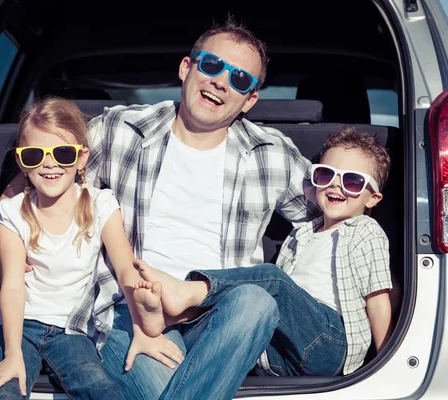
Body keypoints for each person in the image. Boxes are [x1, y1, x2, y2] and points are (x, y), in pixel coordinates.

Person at [0, 16, 320, 400]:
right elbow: (48, 160)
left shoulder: (271, 155)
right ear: (186, 67)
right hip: (130, 314)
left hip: (220, 319)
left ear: (250, 100)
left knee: (256, 300)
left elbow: (335, 212)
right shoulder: (122, 129)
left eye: (241, 79)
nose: (221, 81)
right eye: (212, 65)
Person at [135, 127, 395, 377]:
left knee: (272, 281)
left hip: (330, 341)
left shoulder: (364, 231)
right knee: (243, 309)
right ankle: (174, 319)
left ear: (373, 198)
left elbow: (378, 300)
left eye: (352, 181)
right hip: (285, 354)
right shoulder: (300, 235)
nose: (336, 186)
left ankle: (190, 291)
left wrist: (386, 362)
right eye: (325, 175)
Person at [0, 97, 182, 400]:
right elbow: (11, 287)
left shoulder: (101, 205)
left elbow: (126, 269)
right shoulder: (12, 212)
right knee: (4, 390)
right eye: (35, 155)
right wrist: (11, 354)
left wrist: (142, 329)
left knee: (101, 391)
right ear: (22, 162)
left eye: (62, 153)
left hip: (73, 330)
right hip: (18, 325)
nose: (49, 164)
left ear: (82, 158)